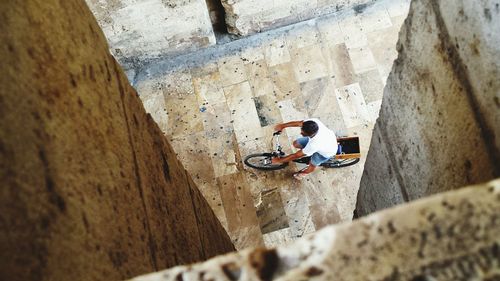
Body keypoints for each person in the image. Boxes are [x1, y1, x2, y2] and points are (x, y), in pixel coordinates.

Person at [272, 118, 338, 180]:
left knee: (312, 165)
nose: (300, 133)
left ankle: (304, 173)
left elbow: (296, 155)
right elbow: (299, 123)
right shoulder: (314, 122)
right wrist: (282, 126)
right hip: (325, 140)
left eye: (303, 133)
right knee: (296, 143)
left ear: (309, 134)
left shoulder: (314, 145)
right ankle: (308, 152)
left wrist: (279, 160)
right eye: (302, 129)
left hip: (327, 152)